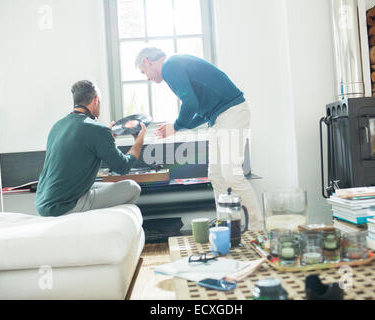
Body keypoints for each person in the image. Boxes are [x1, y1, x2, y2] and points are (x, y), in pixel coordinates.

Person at [135, 48, 263, 230]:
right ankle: (227, 226)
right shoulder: (175, 66)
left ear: (148, 61)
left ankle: (257, 229)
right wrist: (176, 128)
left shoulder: (170, 65)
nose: (147, 77)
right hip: (218, 117)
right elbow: (202, 111)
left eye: (143, 72)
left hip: (232, 113)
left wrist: (176, 126)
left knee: (232, 174)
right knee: (217, 175)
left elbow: (190, 103)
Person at [35, 80, 146, 217]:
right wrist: (138, 142)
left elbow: (81, 149)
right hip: (62, 206)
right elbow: (122, 167)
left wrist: (108, 137)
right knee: (133, 187)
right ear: (96, 100)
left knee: (96, 184)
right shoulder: (97, 129)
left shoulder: (57, 126)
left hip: (43, 202)